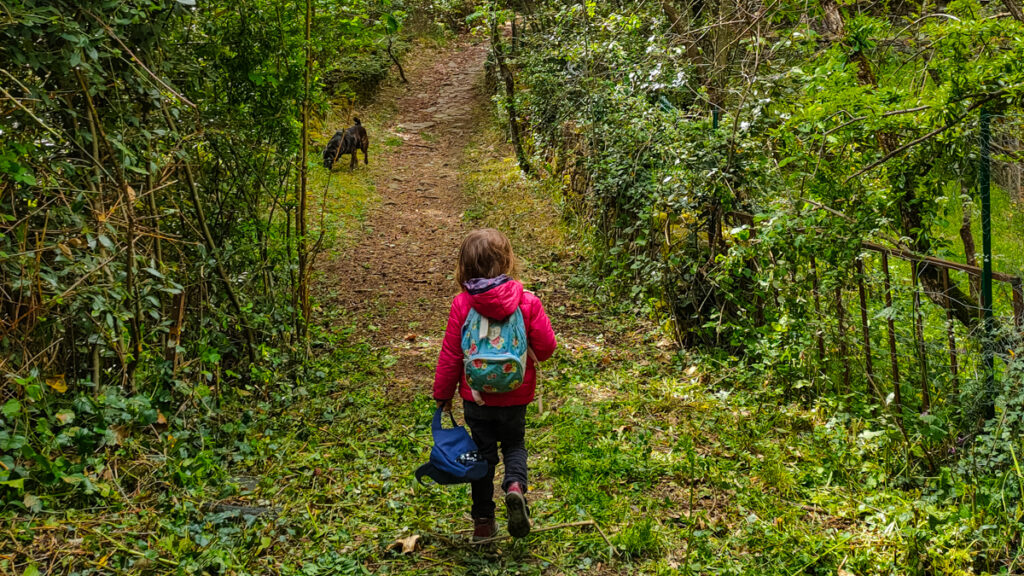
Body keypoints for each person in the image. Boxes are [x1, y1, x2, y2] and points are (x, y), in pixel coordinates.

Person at [433, 228, 557, 541]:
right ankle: (515, 486)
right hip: (515, 395)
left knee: (483, 457)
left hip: (476, 399)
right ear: (507, 262)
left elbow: (450, 355)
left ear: (465, 267)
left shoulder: (462, 304)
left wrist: (442, 396)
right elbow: (546, 347)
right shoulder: (527, 301)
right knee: (514, 445)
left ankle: (483, 523)